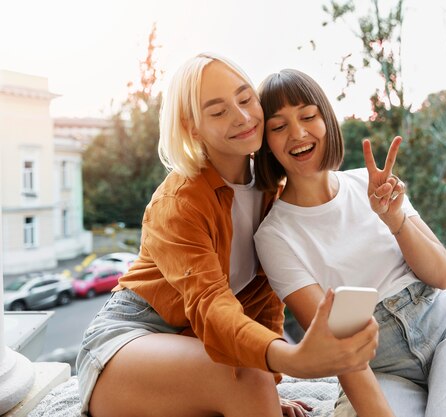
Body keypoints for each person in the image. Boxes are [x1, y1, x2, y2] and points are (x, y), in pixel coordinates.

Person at [76, 54, 380, 417]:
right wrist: (291, 358)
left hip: (195, 350)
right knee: (247, 375)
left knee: (253, 379)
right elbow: (211, 305)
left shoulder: (270, 190)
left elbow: (265, 304)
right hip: (129, 341)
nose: (242, 116)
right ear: (191, 127)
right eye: (218, 112)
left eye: (246, 98)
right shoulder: (180, 202)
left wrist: (270, 385)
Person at [254, 69, 446, 417]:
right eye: (279, 126)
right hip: (378, 365)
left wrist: (395, 221)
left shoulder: (370, 183)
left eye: (307, 116)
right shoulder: (274, 235)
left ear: (326, 121)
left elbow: (441, 276)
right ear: (266, 143)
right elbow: (337, 343)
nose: (298, 133)